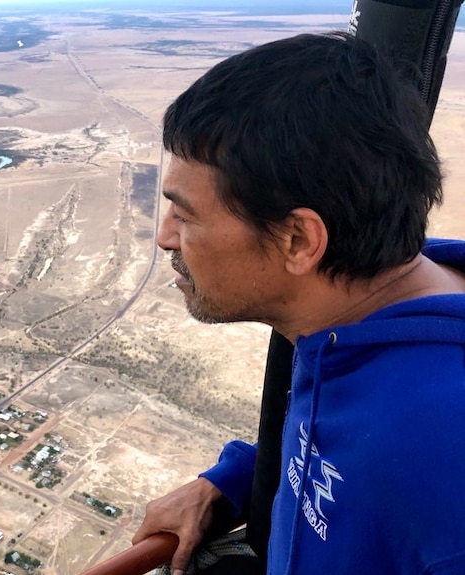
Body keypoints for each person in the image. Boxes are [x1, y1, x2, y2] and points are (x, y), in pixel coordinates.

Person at [132, 32, 465, 575]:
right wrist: (237, 478)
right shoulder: (357, 321)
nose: (165, 237)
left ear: (298, 241)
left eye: (185, 214)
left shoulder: (440, 458)